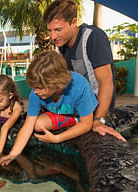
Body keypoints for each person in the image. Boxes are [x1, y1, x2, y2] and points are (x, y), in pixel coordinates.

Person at [43, 0, 126, 142]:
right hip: (78, 105)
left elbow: (107, 82)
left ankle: (86, 123)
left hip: (96, 107)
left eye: (58, 30)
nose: (53, 37)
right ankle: (79, 122)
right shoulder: (62, 45)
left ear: (74, 22)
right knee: (39, 124)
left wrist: (99, 120)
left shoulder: (93, 37)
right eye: (50, 30)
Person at [0, 50, 98, 166]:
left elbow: (87, 125)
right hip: (61, 113)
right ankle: (72, 121)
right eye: (33, 87)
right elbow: (28, 126)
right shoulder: (36, 93)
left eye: (40, 88)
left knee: (84, 122)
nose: (35, 92)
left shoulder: (79, 88)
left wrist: (57, 138)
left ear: (56, 84)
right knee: (37, 125)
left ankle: (75, 120)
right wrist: (13, 154)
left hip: (82, 115)